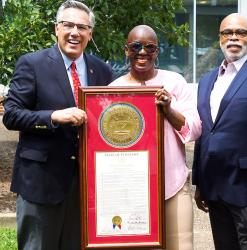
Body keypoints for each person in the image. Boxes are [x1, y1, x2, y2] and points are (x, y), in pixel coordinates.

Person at [3, 1, 112, 250]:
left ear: (90, 33)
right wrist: (53, 116)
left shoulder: (102, 71)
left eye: (82, 27)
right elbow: (12, 115)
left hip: (87, 185)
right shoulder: (32, 64)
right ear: (56, 29)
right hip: (41, 182)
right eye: (68, 25)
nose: (75, 32)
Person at [110, 25, 201, 250]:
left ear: (157, 51)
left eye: (150, 47)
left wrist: (168, 109)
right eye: (136, 46)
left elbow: (195, 129)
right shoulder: (112, 89)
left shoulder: (175, 82)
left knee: (182, 246)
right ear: (126, 50)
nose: (143, 52)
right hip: (130, 187)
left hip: (173, 183)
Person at [192, 13, 247, 250]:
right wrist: (200, 182)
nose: (233, 37)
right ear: (219, 38)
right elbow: (204, 132)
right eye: (228, 32)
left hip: (246, 187)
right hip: (214, 187)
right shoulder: (207, 80)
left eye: (241, 32)